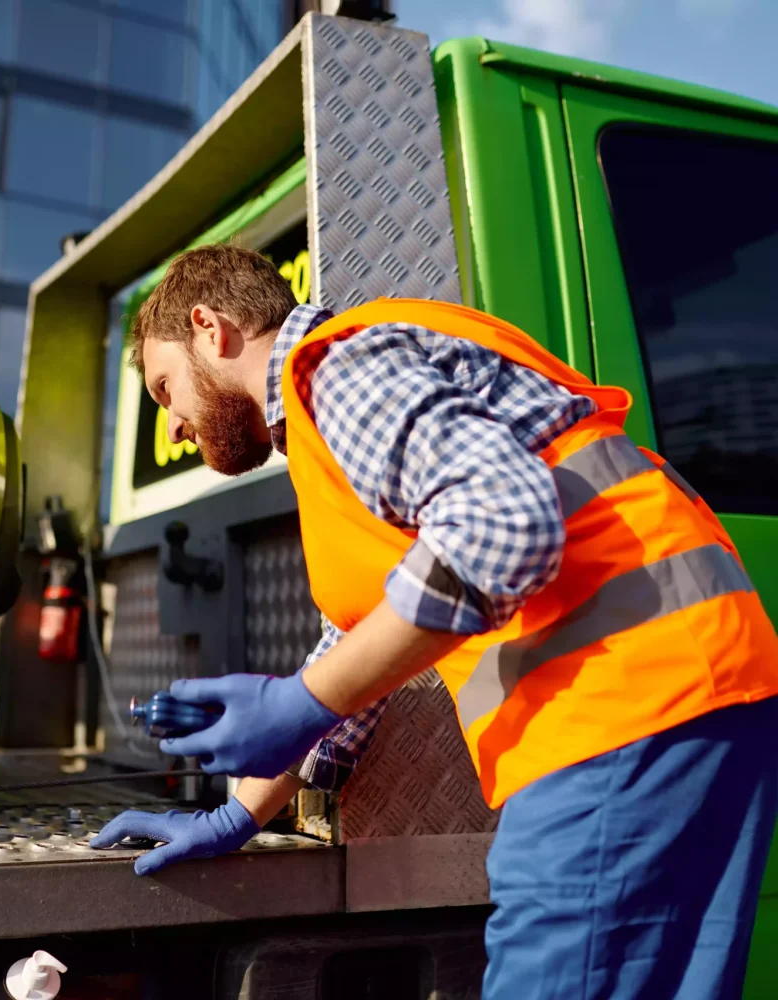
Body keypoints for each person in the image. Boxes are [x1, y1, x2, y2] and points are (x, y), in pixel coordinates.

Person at [91, 244, 778, 999]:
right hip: (690, 694)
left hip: (619, 708)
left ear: (210, 328)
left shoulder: (337, 373)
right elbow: (363, 643)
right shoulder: (338, 418)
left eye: (165, 389)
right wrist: (239, 815)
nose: (177, 427)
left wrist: (304, 701)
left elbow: (501, 524)